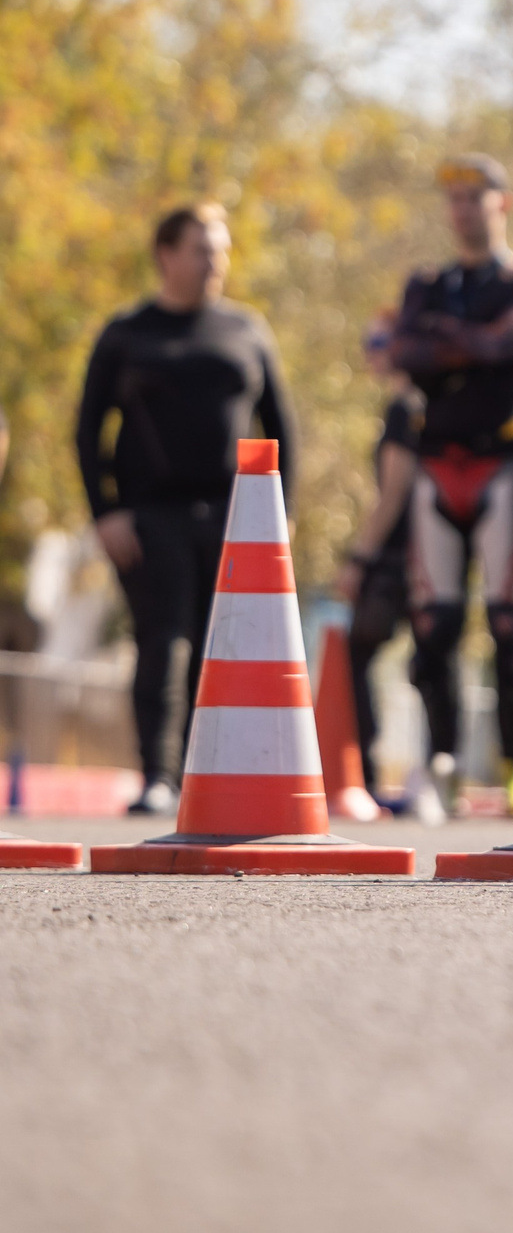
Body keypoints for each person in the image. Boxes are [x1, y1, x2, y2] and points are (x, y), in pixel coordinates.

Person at [75, 203, 295, 814]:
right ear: (166, 254)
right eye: (202, 249)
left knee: (222, 645)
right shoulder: (128, 332)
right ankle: (158, 775)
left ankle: (215, 777)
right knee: (163, 640)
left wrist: (283, 516)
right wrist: (106, 512)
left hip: (234, 514)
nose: (214, 262)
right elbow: (87, 429)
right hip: (150, 514)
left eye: (221, 250)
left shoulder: (246, 330)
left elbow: (283, 426)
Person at [387, 155, 513, 808]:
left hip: (507, 462)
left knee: (512, 620)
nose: (462, 209)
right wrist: (472, 343)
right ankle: (444, 764)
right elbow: (403, 354)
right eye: (453, 199)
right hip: (437, 464)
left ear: (503, 203)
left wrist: (446, 343)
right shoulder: (426, 283)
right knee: (434, 622)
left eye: (475, 197)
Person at [333, 314, 423, 806]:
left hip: (397, 559)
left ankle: (368, 777)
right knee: (427, 659)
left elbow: (393, 492)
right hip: (425, 553)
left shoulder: (405, 407)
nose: (372, 351)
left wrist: (358, 558)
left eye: (381, 342)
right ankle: (423, 777)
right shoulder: (425, 406)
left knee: (358, 653)